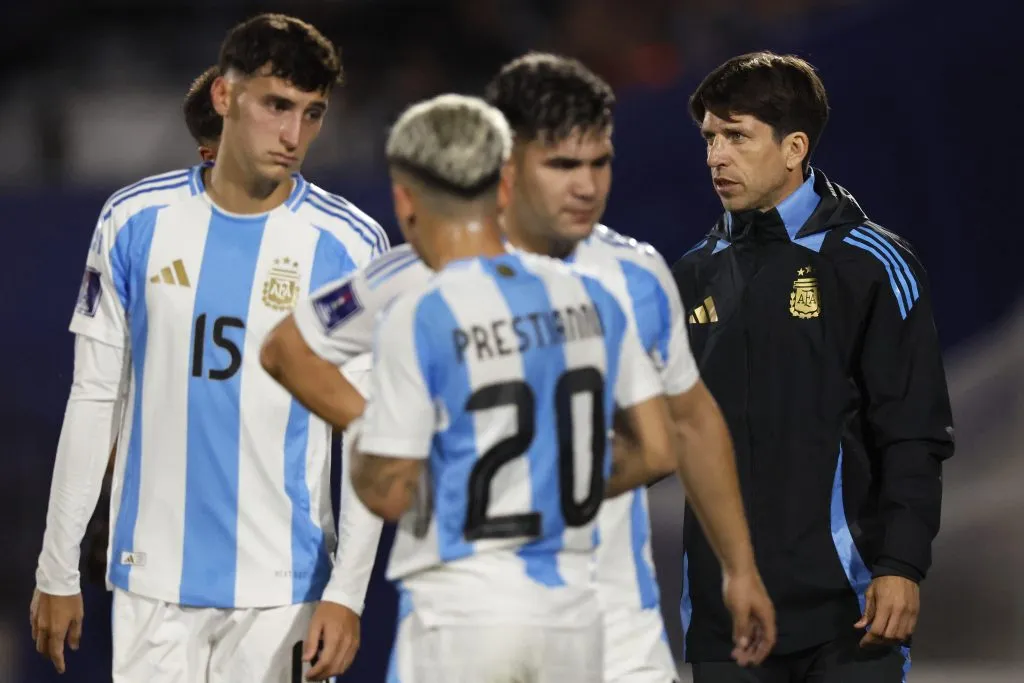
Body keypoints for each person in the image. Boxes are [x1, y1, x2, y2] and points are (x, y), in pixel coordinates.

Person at [261, 52, 776, 679]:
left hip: (618, 628)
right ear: (507, 163)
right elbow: (290, 349)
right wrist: (410, 441)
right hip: (497, 619)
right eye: (561, 165)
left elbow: (691, 422)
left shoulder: (636, 274)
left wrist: (740, 568)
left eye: (599, 162)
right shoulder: (424, 269)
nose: (587, 187)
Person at [30, 13, 388, 682]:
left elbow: (370, 430)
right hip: (151, 581)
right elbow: (95, 397)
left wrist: (347, 591)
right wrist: (57, 564)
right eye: (277, 105)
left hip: (286, 585)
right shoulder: (134, 220)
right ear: (225, 97)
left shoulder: (349, 245)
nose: (294, 134)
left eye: (312, 114)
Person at [352, 91, 678, 683]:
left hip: (463, 612)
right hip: (573, 616)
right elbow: (659, 449)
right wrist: (551, 485)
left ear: (405, 200)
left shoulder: (422, 310)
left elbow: (389, 492)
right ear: (504, 187)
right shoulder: (593, 295)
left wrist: (362, 440)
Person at [671, 51, 955, 683]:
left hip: (848, 613)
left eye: (736, 136)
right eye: (710, 138)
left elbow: (913, 429)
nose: (716, 156)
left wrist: (901, 565)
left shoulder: (872, 263)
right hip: (724, 621)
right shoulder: (690, 274)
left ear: (794, 146)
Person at [83, 63, 226, 588]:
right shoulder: (144, 233)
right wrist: (107, 507)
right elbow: (119, 393)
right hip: (159, 538)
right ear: (205, 152)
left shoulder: (316, 239)